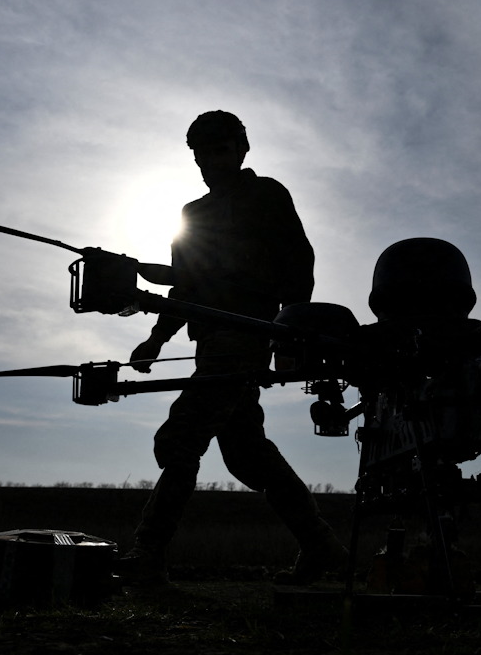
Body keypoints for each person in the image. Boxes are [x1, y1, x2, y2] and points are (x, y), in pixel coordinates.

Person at [119, 110, 346, 587]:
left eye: (219, 150)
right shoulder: (192, 214)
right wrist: (156, 339)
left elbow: (298, 264)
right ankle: (322, 548)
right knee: (247, 455)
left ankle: (148, 554)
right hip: (209, 342)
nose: (210, 162)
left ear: (242, 149)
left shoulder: (266, 195)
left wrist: (289, 333)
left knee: (180, 437)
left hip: (246, 337)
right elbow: (185, 286)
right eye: (201, 154)